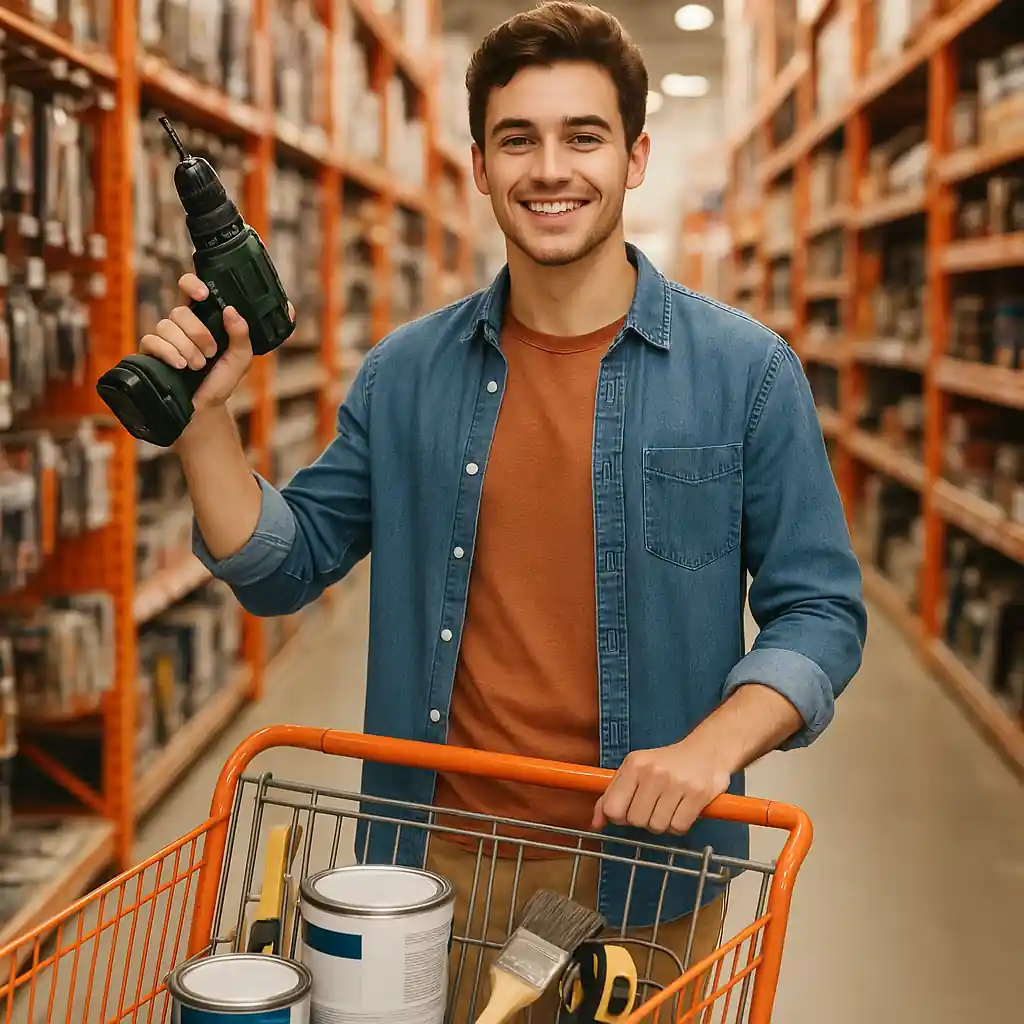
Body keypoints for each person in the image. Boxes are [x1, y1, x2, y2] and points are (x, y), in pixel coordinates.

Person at [140, 1, 866, 1016]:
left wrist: (714, 747)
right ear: (479, 165)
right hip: (429, 868)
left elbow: (820, 610)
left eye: (584, 136)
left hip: (651, 875)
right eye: (517, 139)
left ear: (636, 156)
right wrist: (205, 425)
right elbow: (281, 567)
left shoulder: (745, 373)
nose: (550, 169)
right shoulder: (404, 376)